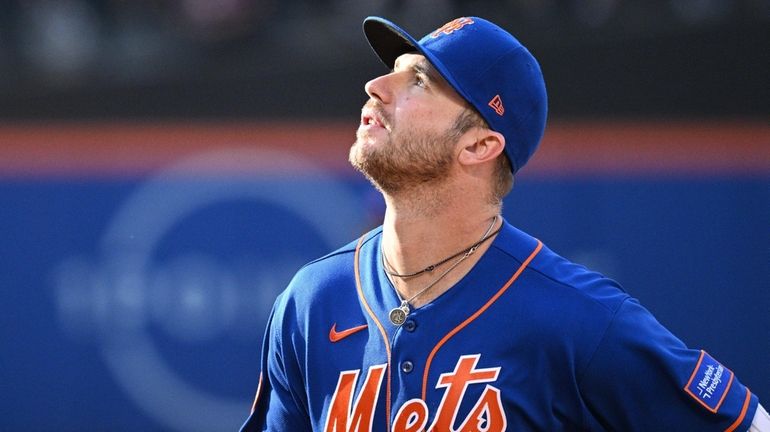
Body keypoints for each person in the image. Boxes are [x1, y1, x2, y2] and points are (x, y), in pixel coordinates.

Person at [240, 16, 768, 431]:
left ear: (479, 145)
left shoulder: (578, 318)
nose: (376, 85)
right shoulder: (311, 299)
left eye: (418, 80)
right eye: (392, 70)